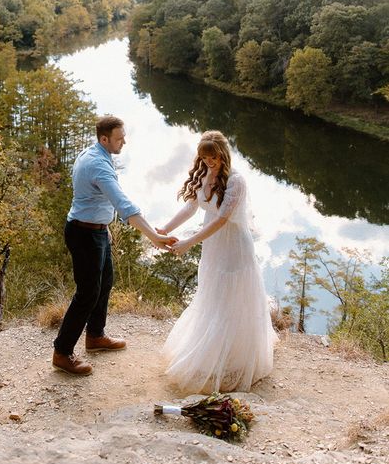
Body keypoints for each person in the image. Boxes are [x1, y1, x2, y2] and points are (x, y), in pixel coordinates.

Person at [53, 115, 175, 376]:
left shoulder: (95, 154)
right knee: (87, 293)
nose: (124, 142)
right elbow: (124, 205)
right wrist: (154, 236)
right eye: (120, 138)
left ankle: (95, 336)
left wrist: (105, 225)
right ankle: (62, 352)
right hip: (83, 234)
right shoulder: (98, 164)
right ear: (104, 139)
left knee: (104, 282)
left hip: (97, 230)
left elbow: (95, 199)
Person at [158, 130, 277, 393]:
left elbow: (222, 219)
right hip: (212, 245)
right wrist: (164, 230)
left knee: (231, 298)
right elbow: (190, 207)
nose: (209, 163)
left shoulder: (236, 181)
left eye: (213, 158)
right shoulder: (203, 174)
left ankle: (234, 356)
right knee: (212, 295)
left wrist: (189, 243)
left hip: (233, 247)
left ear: (223, 154)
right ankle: (211, 351)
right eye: (204, 158)